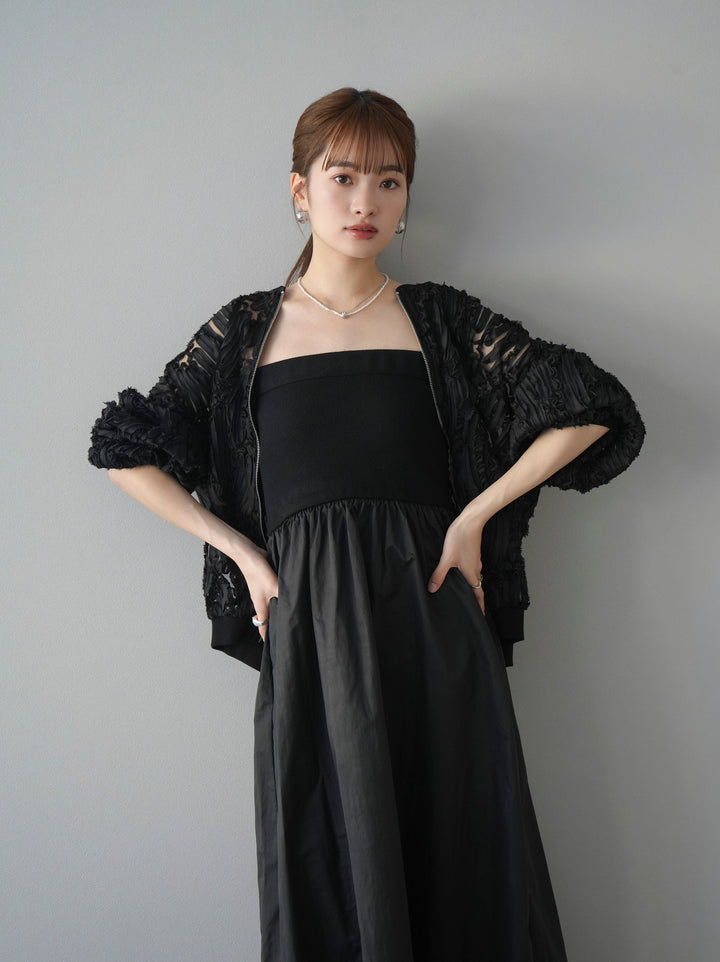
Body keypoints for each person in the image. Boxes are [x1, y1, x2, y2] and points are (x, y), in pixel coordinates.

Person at [89, 87, 644, 962]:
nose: (366, 201)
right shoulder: (243, 334)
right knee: (331, 866)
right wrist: (241, 553)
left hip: (434, 618)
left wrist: (475, 518)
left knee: (466, 854)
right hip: (312, 633)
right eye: (343, 177)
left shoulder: (442, 322)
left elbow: (593, 407)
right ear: (301, 190)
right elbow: (125, 450)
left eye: (389, 181)